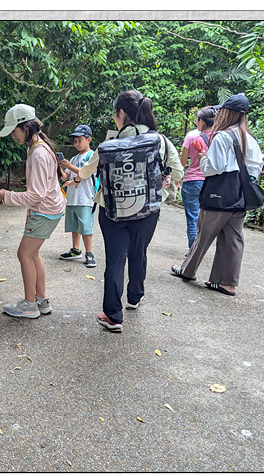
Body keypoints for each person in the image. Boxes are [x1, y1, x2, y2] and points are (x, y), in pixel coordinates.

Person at [65, 90, 183, 332]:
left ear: (121, 113)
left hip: (112, 211)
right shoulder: (160, 141)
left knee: (115, 259)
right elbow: (178, 171)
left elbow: (86, 172)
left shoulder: (108, 145)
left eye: (114, 114)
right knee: (139, 252)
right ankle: (135, 297)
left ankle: (113, 316)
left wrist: (75, 175)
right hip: (147, 210)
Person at [170, 94, 264, 296]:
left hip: (219, 194)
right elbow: (257, 166)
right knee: (233, 239)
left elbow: (213, 168)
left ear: (228, 113)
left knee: (203, 233)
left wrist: (203, 157)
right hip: (240, 196)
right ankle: (226, 283)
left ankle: (187, 270)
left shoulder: (223, 136)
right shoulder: (250, 137)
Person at [0, 104, 66, 318]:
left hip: (45, 210)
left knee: (24, 254)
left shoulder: (38, 153)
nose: (13, 136)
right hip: (50, 209)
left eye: (14, 131)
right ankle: (41, 301)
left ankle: (30, 305)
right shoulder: (40, 146)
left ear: (26, 127)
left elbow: (36, 194)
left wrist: (6, 196)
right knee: (32, 254)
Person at [58, 124, 98, 268]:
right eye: (75, 141)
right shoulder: (74, 158)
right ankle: (76, 250)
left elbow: (85, 173)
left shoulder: (92, 156)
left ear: (88, 139)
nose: (77, 144)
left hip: (86, 198)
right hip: (73, 197)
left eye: (80, 140)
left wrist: (69, 166)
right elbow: (65, 177)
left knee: (86, 227)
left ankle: (89, 253)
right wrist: (60, 168)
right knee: (74, 225)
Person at [180, 106, 216, 251]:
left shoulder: (191, 136)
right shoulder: (219, 137)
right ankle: (202, 250)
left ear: (202, 121)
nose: (196, 122)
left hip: (192, 181)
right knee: (208, 220)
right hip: (212, 182)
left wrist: (177, 176)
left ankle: (192, 252)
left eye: (197, 120)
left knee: (193, 218)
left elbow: (182, 162)